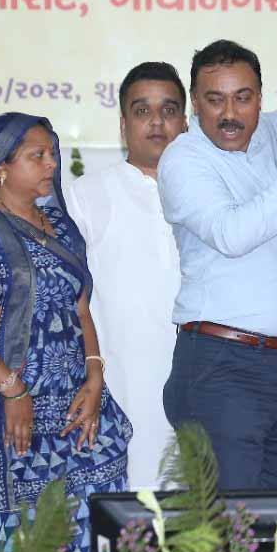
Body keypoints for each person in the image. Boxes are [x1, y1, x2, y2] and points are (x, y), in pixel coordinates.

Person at [0, 113, 131, 552]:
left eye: (52, 153)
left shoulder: (60, 226)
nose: (51, 164)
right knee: (17, 544)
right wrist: (11, 388)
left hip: (72, 401)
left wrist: (95, 376)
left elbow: (80, 307)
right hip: (5, 402)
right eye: (38, 156)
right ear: (1, 168)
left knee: (93, 521)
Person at [158, 22, 277, 489]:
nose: (229, 114)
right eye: (215, 100)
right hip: (223, 368)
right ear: (194, 102)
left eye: (243, 98)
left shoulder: (270, 134)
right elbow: (232, 233)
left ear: (260, 99)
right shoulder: (183, 159)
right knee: (228, 523)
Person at [67, 62, 188, 489]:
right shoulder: (85, 195)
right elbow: (71, 297)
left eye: (168, 110)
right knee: (131, 504)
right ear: (123, 125)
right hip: (120, 382)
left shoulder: (208, 192)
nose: (156, 122)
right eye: (142, 111)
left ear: (185, 122)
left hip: (202, 381)